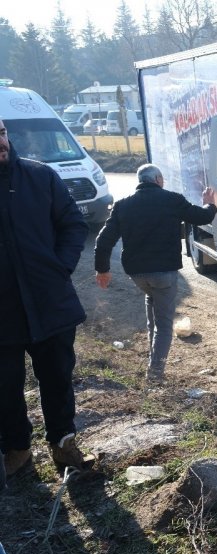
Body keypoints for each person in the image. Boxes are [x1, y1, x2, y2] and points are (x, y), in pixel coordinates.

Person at [0, 119, 89, 477]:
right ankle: (17, 450)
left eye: (1, 133)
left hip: (49, 302)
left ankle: (63, 444)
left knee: (57, 379)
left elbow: (73, 225)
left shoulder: (40, 177)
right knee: (5, 387)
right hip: (2, 312)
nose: (0, 143)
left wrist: (60, 267)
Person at [94, 164, 217, 382]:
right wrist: (209, 205)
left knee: (152, 308)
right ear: (158, 179)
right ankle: (155, 376)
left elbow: (103, 241)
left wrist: (102, 269)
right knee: (164, 326)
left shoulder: (123, 205)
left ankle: (153, 363)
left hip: (138, 275)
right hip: (164, 274)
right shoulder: (172, 199)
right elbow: (202, 217)